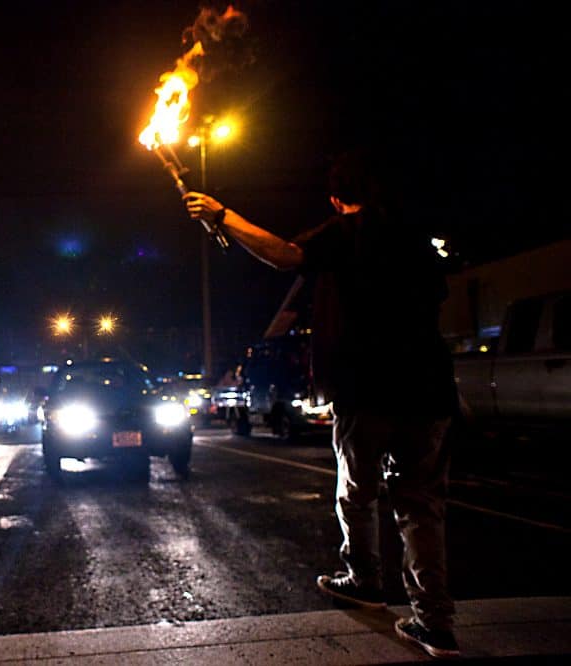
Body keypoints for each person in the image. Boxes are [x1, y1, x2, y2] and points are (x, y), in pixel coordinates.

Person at [184, 147, 460, 659]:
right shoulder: (416, 239)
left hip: (367, 390)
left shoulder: (346, 232)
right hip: (429, 389)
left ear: (337, 198)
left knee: (357, 493)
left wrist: (223, 215)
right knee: (422, 508)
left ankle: (365, 580)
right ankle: (435, 623)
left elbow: (285, 253)